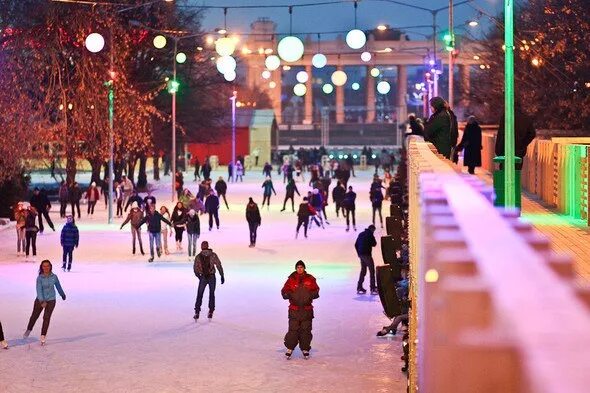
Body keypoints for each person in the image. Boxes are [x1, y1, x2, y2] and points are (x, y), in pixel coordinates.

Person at [281, 260, 320, 359]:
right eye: (298, 267)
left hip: (307, 310)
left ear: (304, 268)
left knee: (306, 330)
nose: (300, 269)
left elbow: (316, 290)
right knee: (293, 330)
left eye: (301, 267)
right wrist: (287, 294)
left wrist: (310, 295)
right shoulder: (291, 279)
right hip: (294, 310)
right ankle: (290, 348)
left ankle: (305, 348)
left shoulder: (310, 279)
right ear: (296, 268)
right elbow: (284, 290)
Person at [23, 260, 66, 345]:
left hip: (51, 300)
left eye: (47, 266)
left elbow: (58, 286)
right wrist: (42, 301)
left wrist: (62, 294)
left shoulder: (54, 277)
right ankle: (29, 329)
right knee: (34, 316)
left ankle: (43, 335)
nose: (46, 268)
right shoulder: (40, 278)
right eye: (44, 266)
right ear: (41, 267)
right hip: (40, 299)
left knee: (46, 317)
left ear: (50, 266)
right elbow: (38, 290)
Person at [495, 102, 536, 170]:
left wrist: (498, 150)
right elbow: (532, 133)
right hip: (519, 151)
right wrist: (523, 143)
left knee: (505, 171)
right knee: (517, 171)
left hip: (506, 150)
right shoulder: (525, 118)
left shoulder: (506, 116)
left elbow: (501, 134)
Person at [193, 241, 225, 320]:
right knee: (211, 294)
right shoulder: (213, 255)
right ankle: (211, 311)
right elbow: (218, 265)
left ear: (201, 247)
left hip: (203, 277)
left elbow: (195, 268)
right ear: (208, 246)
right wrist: (222, 275)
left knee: (200, 294)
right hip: (212, 277)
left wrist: (199, 276)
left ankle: (197, 311)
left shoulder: (198, 257)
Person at [355, 225, 378, 295]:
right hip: (367, 255)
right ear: (372, 229)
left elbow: (356, 244)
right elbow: (374, 244)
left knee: (363, 271)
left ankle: (359, 287)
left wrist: (359, 253)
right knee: (372, 271)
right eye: (374, 231)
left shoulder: (361, 234)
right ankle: (373, 288)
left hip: (361, 255)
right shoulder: (370, 234)